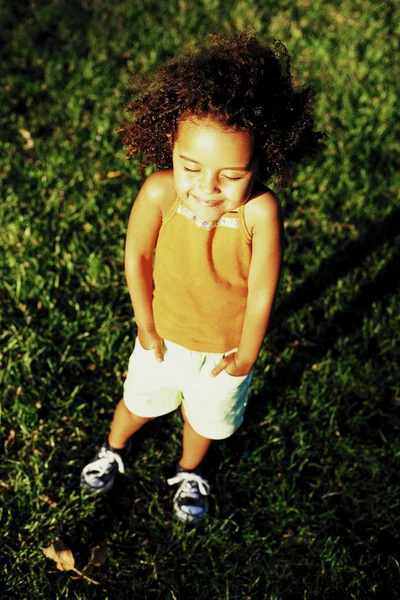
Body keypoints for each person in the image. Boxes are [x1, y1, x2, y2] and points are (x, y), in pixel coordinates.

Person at [80, 30, 326, 524]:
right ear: (169, 143)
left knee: (204, 420)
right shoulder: (158, 193)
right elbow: (138, 258)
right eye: (190, 166)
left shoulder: (260, 212)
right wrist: (146, 327)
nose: (206, 188)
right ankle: (113, 446)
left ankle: (190, 470)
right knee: (139, 403)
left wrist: (247, 355)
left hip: (223, 353)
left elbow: (262, 290)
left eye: (231, 175)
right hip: (162, 339)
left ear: (262, 161)